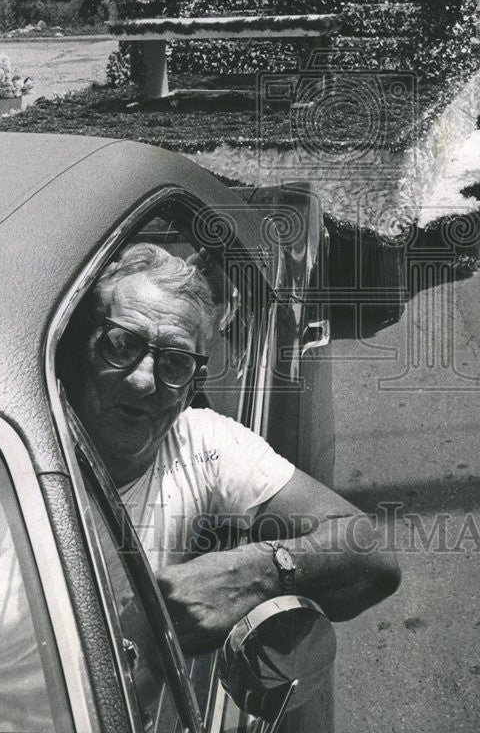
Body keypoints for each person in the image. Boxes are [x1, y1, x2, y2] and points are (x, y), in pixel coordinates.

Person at [61, 242, 400, 655]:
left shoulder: (200, 444)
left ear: (191, 388)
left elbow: (371, 554)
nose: (142, 381)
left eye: (174, 363)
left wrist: (255, 573)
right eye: (121, 345)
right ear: (82, 349)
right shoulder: (6, 447)